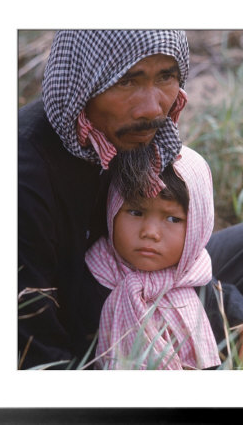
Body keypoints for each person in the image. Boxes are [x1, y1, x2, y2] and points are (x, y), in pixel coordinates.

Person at [18, 30, 243, 370]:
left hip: (155, 274)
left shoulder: (138, 132)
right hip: (84, 328)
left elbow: (180, 248)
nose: (153, 108)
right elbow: (33, 346)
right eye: (126, 81)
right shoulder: (20, 174)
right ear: (84, 83)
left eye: (166, 77)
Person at [85, 146, 221, 370]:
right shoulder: (93, 278)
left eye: (172, 218)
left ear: (199, 225)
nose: (150, 232)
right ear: (112, 211)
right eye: (136, 212)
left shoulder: (199, 282)